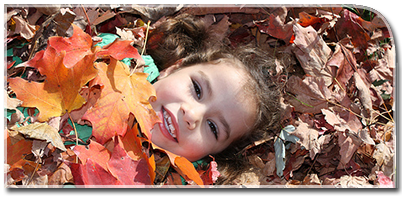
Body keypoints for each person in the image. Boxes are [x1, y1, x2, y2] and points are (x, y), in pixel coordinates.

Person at [146, 14, 281, 184]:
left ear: (211, 157)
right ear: (173, 69)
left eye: (213, 127)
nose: (192, 115)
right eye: (197, 89)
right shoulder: (109, 61)